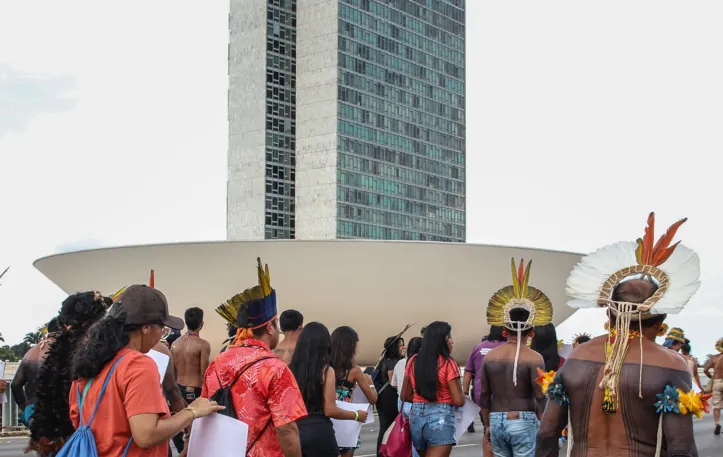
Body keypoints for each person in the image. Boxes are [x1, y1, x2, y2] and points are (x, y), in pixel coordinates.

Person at [536, 212, 701, 456]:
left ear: (608, 314)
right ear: (660, 319)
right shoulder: (670, 365)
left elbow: (547, 433)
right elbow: (681, 448)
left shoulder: (577, 358)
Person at [68, 285, 221, 457]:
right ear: (146, 328)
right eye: (162, 328)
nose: (162, 334)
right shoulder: (138, 365)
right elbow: (146, 435)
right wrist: (192, 411)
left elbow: (77, 418)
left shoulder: (90, 361)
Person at [205, 258, 305, 457]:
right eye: (275, 323)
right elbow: (286, 429)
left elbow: (204, 413)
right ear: (269, 327)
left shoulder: (217, 363)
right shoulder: (274, 369)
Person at [480, 258, 551, 457]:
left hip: (495, 420)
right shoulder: (534, 358)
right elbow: (541, 396)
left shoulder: (490, 357)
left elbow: (483, 396)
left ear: (504, 331)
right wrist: (547, 427)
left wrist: (487, 425)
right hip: (523, 419)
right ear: (532, 331)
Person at [29, 291, 112, 456]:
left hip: (56, 434)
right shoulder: (94, 348)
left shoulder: (59, 347)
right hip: (81, 434)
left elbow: (45, 392)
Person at [289, 322, 368, 457]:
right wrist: (355, 415)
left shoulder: (289, 369)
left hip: (294, 430)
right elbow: (330, 409)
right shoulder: (326, 370)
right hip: (320, 431)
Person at [401, 321, 464, 457]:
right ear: (441, 340)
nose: (452, 341)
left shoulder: (413, 361)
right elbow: (459, 401)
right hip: (441, 417)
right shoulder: (448, 363)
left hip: (416, 417)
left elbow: (404, 396)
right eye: (449, 337)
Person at [330, 326, 378, 457]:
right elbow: (373, 399)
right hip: (348, 420)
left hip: (328, 419)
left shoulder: (326, 368)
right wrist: (370, 383)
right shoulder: (354, 371)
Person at [12, 318, 60, 424]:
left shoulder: (30, 353)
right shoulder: (62, 350)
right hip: (56, 411)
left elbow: (15, 385)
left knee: (38, 440)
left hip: (33, 412)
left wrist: (25, 409)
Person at [172, 307, 211, 403]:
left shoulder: (175, 344)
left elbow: (173, 371)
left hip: (178, 388)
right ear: (201, 324)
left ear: (186, 323)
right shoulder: (203, 345)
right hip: (195, 389)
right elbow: (204, 373)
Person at [376, 335, 405, 455]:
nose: (403, 347)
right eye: (400, 345)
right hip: (389, 398)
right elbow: (393, 382)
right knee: (387, 428)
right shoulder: (393, 362)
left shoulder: (384, 360)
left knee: (385, 427)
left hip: (383, 397)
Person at [396, 336, 423, 457]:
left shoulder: (402, 363)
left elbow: (394, 384)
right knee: (418, 443)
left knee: (408, 436)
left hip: (403, 403)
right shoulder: (422, 362)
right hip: (417, 403)